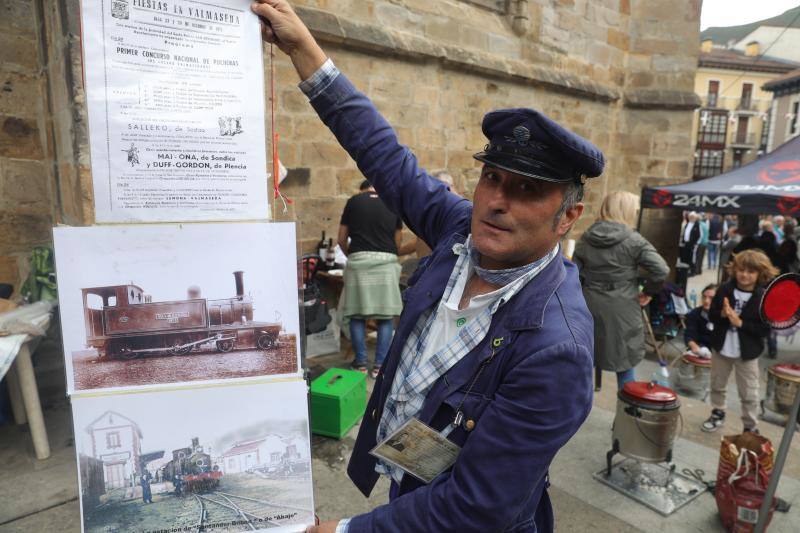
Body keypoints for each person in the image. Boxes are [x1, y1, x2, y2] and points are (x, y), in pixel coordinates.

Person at [252, 3, 601, 532]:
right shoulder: (461, 230)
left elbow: (476, 507)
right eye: (492, 178)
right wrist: (304, 49)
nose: (498, 202)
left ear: (568, 217)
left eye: (528, 190)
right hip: (412, 485)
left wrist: (347, 531)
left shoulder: (557, 350)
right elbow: (386, 158)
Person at [573, 191, 669, 389]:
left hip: (588, 305)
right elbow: (661, 269)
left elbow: (574, 273)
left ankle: (579, 407)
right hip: (622, 309)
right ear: (627, 211)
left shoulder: (586, 237)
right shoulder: (634, 240)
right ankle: (625, 409)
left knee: (585, 362)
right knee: (625, 362)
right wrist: (648, 292)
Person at [701, 249, 778, 433]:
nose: (744, 275)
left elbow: (765, 329)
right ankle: (718, 412)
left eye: (751, 271)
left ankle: (750, 427)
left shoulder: (763, 297)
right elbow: (711, 315)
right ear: (734, 269)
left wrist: (740, 323)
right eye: (741, 270)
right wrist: (722, 314)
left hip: (748, 352)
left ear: (760, 273)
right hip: (721, 347)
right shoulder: (725, 289)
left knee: (749, 392)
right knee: (717, 385)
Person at [338, 179, 404, 378]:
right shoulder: (393, 202)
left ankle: (360, 364)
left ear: (363, 189)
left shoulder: (354, 201)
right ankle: (379, 367)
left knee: (356, 315)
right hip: (386, 263)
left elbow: (341, 239)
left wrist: (353, 256)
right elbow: (398, 241)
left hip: (359, 261)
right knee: (385, 316)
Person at [684, 284, 717, 358]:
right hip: (701, 347)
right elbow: (689, 335)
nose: (706, 301)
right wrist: (694, 347)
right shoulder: (694, 313)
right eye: (704, 297)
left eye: (711, 298)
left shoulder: (724, 315)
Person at [676, 211, 700, 291]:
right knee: (684, 258)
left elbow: (698, 235)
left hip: (691, 244)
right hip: (685, 244)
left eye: (692, 217)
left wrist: (693, 243)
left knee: (691, 258)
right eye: (690, 217)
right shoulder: (687, 224)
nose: (691, 218)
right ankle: (685, 271)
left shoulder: (696, 225)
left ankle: (692, 271)